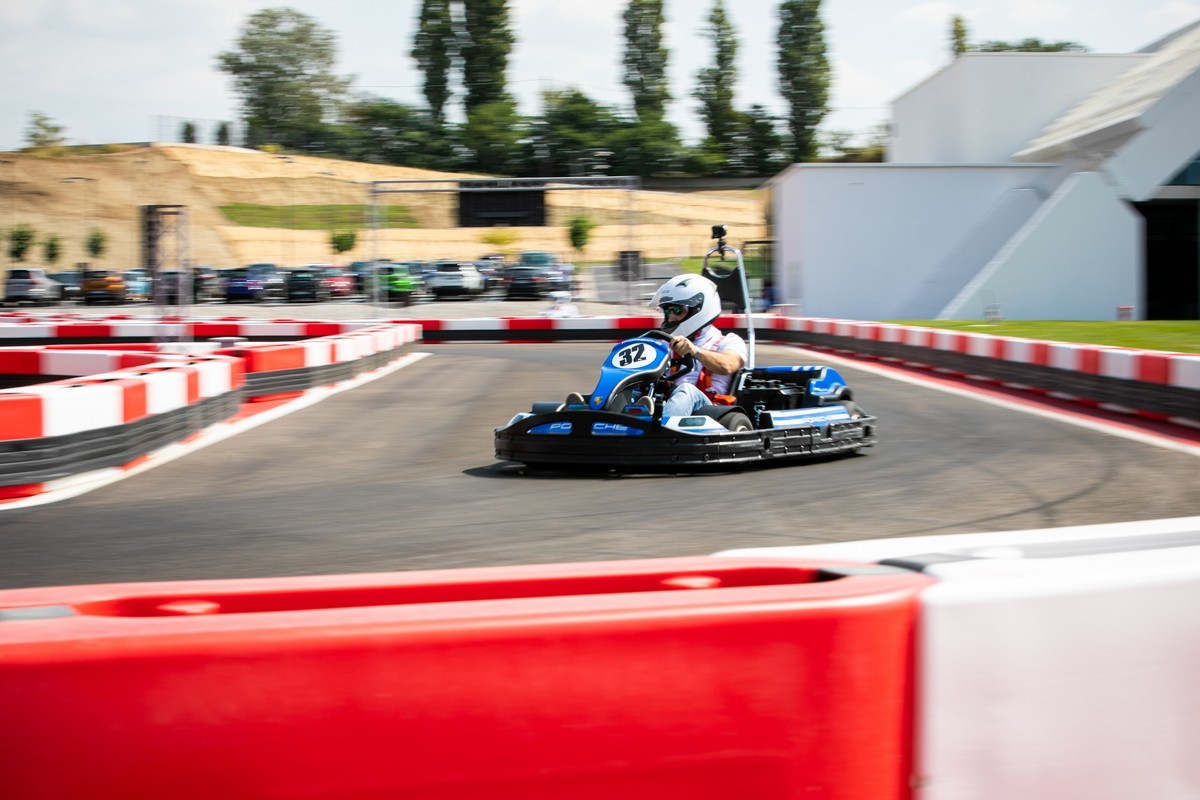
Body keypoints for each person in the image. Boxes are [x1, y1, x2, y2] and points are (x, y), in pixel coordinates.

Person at [648, 274, 747, 417]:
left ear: (699, 309)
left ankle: (661, 432)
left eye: (676, 310)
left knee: (686, 391)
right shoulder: (666, 345)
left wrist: (696, 351)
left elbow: (728, 365)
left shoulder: (728, 341)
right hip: (672, 407)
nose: (670, 317)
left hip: (711, 414)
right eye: (667, 311)